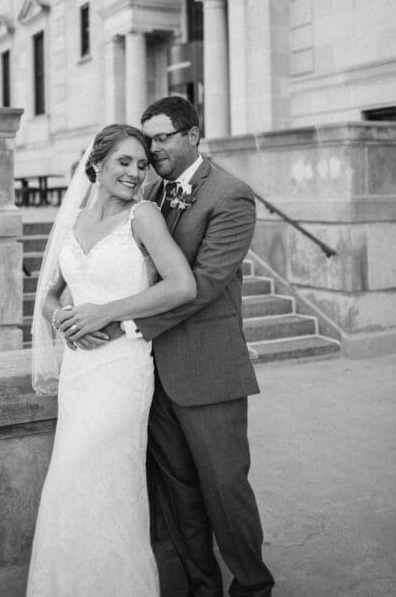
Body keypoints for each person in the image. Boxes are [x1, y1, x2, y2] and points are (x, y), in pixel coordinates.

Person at [63, 97, 275, 597]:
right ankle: (202, 587)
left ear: (193, 137)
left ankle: (252, 587)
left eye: (161, 138)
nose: (151, 149)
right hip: (146, 376)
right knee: (179, 495)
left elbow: (202, 283)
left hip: (207, 370)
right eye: (147, 139)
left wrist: (122, 324)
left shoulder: (231, 195)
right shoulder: (149, 191)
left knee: (225, 490)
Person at [26, 123, 196, 597]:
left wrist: (106, 312)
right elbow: (50, 296)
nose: (135, 173)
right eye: (124, 162)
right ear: (96, 163)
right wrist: (64, 321)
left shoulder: (142, 215)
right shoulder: (74, 220)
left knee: (108, 479)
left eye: (142, 164)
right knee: (69, 478)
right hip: (80, 371)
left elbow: (182, 284)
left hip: (123, 366)